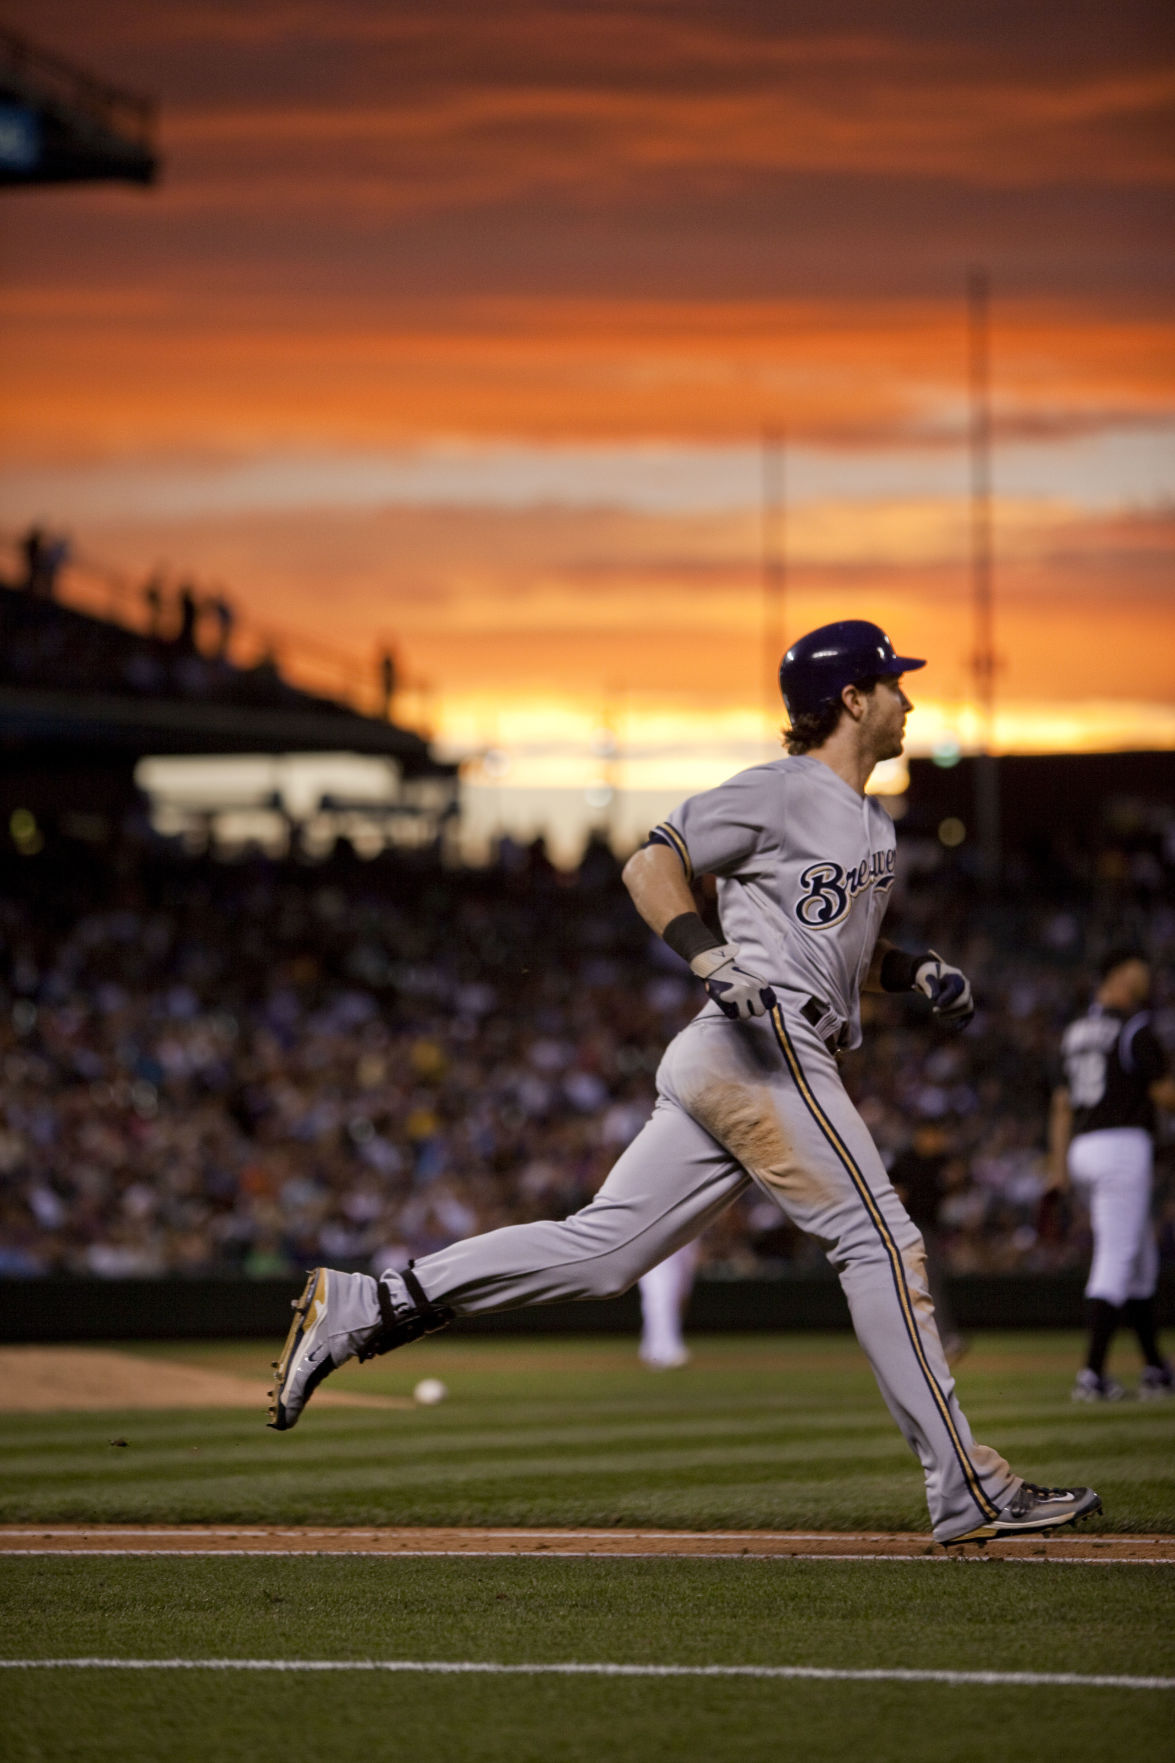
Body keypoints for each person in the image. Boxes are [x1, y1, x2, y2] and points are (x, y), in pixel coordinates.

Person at [268, 619, 1100, 1545]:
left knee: (600, 1255)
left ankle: (366, 1304)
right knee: (880, 1245)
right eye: (894, 684)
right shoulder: (778, 790)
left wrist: (909, 974)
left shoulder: (870, 821)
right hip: (759, 1042)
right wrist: (705, 955)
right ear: (853, 699)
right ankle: (969, 1490)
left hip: (756, 1046)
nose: (910, 698)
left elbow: (833, 957)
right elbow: (648, 862)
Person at [1048, 948, 1175, 1401]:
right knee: (1117, 1259)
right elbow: (1163, 1094)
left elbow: (1061, 1105)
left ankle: (1157, 1369)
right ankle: (1093, 1374)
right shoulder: (1135, 1026)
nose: (1146, 977)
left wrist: (1057, 1168)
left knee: (1139, 1258)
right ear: (1119, 975)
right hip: (1122, 1145)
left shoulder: (1076, 1031)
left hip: (1084, 1148)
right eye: (1139, 970)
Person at [638, 1240, 698, 1369]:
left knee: (680, 1293)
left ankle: (653, 1344)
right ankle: (664, 1350)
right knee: (659, 1294)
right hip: (653, 1232)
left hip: (686, 1233)